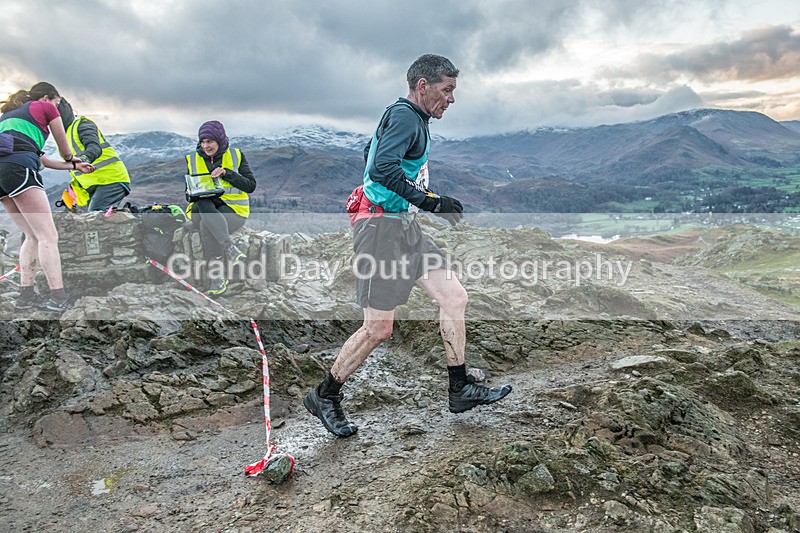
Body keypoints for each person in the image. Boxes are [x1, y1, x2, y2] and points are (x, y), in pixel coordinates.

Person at [304, 54, 512, 437]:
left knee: (454, 297)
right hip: (381, 231)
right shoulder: (404, 117)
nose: (451, 99)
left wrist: (416, 202)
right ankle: (325, 395)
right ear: (423, 86)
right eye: (446, 90)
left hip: (405, 227)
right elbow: (382, 166)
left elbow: (371, 156)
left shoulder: (409, 118)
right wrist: (431, 201)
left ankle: (459, 387)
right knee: (378, 328)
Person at [0, 82, 95, 312]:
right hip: (19, 169)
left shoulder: (9, 117)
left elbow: (43, 159)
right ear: (47, 97)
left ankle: (25, 296)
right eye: (58, 101)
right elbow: (65, 151)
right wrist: (73, 158)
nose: (58, 106)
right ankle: (58, 298)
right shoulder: (45, 107)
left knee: (31, 235)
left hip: (2, 175)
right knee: (48, 236)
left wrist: (74, 168)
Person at [184, 120, 255, 295]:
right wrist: (194, 192)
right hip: (200, 210)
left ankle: (218, 278)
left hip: (233, 211)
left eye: (210, 142)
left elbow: (250, 186)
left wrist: (227, 173)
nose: (206, 146)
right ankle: (228, 247)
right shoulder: (192, 159)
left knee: (206, 227)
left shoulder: (236, 155)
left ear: (219, 140)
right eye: (203, 141)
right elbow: (187, 194)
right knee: (202, 202)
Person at [57, 98, 131, 211]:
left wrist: (84, 159)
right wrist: (71, 193)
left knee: (96, 216)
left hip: (110, 180)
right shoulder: (64, 135)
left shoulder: (82, 124)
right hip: (94, 184)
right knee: (96, 218)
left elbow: (94, 147)